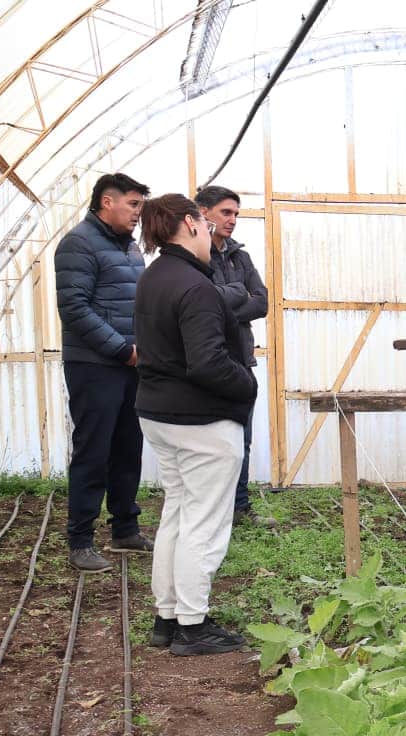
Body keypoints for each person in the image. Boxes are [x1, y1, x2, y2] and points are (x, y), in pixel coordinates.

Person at [133, 194, 257, 656]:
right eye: (205, 224)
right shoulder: (195, 286)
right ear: (189, 224)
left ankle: (167, 617)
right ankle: (192, 624)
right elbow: (207, 363)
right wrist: (246, 384)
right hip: (201, 421)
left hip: (159, 415)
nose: (211, 233)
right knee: (204, 523)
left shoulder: (152, 278)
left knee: (178, 514)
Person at [55, 172, 152, 573]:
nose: (137, 216)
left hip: (131, 363)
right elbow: (75, 308)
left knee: (128, 447)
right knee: (93, 451)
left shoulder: (130, 249)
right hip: (95, 365)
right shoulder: (78, 243)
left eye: (141, 208)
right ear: (107, 202)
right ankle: (80, 539)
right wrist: (121, 349)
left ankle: (125, 528)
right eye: (133, 205)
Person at [196, 184, 273, 528]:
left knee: (242, 437)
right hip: (207, 361)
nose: (233, 220)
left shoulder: (239, 256)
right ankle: (211, 511)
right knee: (209, 440)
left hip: (241, 361)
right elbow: (196, 304)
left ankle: (240, 507)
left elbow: (262, 301)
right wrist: (233, 299)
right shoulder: (194, 255)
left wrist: (223, 307)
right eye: (226, 212)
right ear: (203, 213)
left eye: (236, 214)